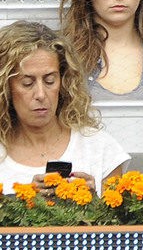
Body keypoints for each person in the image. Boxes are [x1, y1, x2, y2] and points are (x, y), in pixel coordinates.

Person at [0, 21, 129, 195]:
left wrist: (93, 202)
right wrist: (23, 200)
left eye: (50, 81)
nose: (40, 94)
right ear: (5, 87)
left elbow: (122, 221)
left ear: (64, 82)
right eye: (27, 83)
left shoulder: (99, 148)